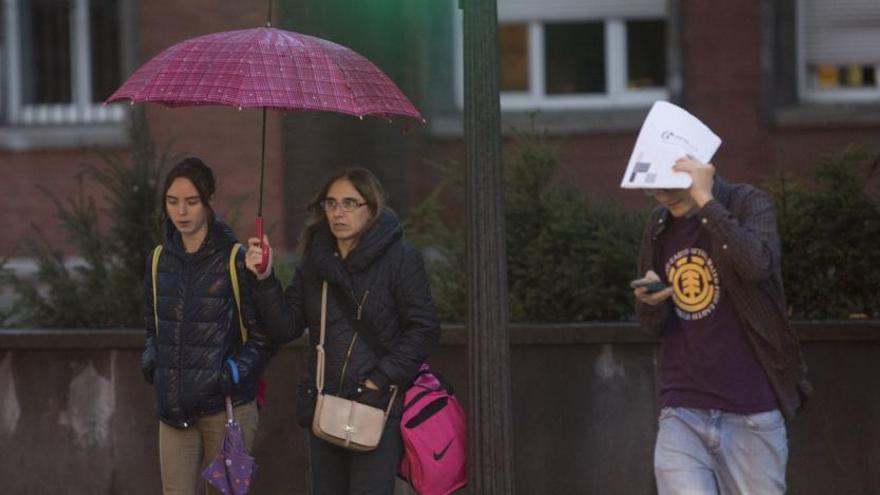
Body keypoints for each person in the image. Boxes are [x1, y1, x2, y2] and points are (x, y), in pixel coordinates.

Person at [244, 167, 440, 494]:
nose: (338, 213)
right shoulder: (315, 261)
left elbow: (424, 329)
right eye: (331, 204)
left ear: (371, 209)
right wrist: (264, 277)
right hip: (326, 407)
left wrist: (378, 378)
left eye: (350, 203)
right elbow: (286, 326)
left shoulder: (400, 259)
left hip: (377, 406)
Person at [632, 155, 812, 495]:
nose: (663, 196)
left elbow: (758, 264)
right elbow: (651, 324)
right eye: (654, 189)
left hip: (751, 411)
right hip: (682, 408)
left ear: (700, 173)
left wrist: (707, 203)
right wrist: (650, 301)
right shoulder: (659, 225)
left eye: (671, 186)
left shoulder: (747, 203)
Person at [141, 157, 276, 495]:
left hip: (226, 408)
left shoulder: (235, 259)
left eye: (191, 201)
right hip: (174, 409)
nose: (181, 211)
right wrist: (153, 361)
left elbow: (265, 335)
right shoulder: (158, 260)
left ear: (209, 201)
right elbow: (152, 326)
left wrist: (232, 372)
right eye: (173, 202)